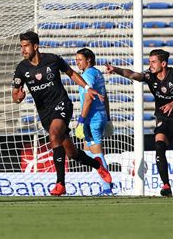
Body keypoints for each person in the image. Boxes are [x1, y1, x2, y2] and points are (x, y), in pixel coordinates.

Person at [12, 31, 112, 196]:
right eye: (21, 46)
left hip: (62, 104)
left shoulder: (52, 59)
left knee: (54, 134)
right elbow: (15, 94)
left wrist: (87, 88)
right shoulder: (22, 69)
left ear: (35, 46)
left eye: (26, 46)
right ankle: (97, 165)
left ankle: (60, 184)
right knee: (71, 153)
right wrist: (18, 98)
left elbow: (72, 73)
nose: (23, 50)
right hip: (44, 113)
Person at [105, 49, 173, 200]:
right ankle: (166, 186)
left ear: (163, 63)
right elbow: (133, 75)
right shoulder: (149, 75)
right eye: (150, 62)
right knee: (159, 146)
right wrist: (116, 69)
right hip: (164, 119)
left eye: (153, 62)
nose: (151, 65)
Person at [74, 48, 114, 196]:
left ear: (88, 59)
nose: (77, 62)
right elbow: (106, 97)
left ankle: (107, 186)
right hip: (100, 115)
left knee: (97, 152)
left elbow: (89, 98)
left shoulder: (88, 74)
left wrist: (81, 120)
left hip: (93, 118)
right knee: (87, 149)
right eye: (76, 60)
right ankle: (106, 182)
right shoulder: (97, 73)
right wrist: (108, 118)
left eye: (80, 59)